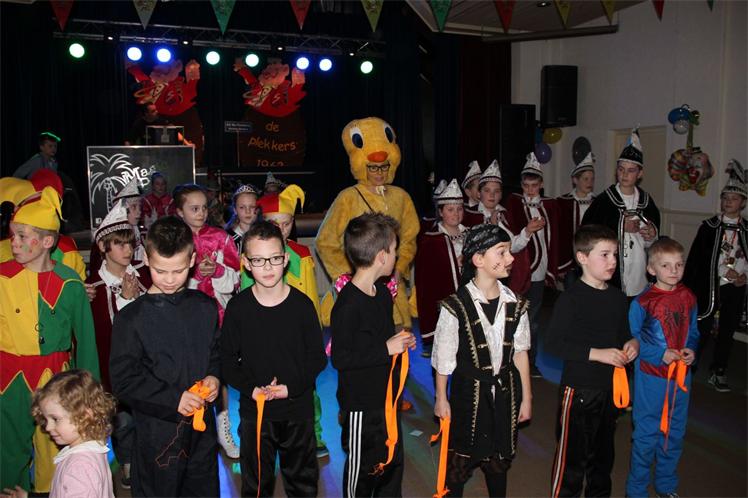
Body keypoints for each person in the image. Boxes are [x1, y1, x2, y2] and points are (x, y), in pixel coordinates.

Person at [109, 216, 221, 497]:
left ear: (192, 259)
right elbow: (123, 381)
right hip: (157, 435)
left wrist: (214, 376)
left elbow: (218, 353)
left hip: (201, 434)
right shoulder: (131, 319)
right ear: (146, 259)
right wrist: (174, 399)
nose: (170, 279)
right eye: (160, 271)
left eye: (178, 270)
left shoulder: (205, 307)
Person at [0, 186, 99, 494]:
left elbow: (86, 343)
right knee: (7, 451)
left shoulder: (70, 284)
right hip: (8, 381)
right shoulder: (1, 278)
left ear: (46, 242)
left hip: (54, 380)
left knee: (57, 454)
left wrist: (89, 396)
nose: (14, 242)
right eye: (13, 235)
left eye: (22, 236)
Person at [221, 221, 326, 497]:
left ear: (286, 259)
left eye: (275, 258)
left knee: (302, 483)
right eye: (258, 260)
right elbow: (227, 361)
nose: (267, 267)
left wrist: (291, 387)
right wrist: (252, 389)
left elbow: (317, 358)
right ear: (246, 263)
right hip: (255, 413)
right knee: (256, 485)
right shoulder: (238, 309)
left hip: (297, 410)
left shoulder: (302, 306)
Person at [432, 223, 533, 497]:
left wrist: (526, 398)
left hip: (505, 393)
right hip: (468, 394)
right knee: (460, 460)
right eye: (501, 252)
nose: (510, 258)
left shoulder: (515, 303)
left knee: (499, 459)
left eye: (509, 251)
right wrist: (441, 397)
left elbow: (520, 352)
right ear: (478, 259)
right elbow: (444, 357)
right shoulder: (456, 306)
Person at [545, 224, 639, 497]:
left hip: (609, 388)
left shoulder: (618, 297)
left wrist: (632, 344)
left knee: (603, 457)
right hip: (579, 390)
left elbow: (624, 334)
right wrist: (598, 353)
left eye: (615, 255)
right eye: (605, 255)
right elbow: (553, 344)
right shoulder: (571, 299)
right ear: (582, 258)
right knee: (573, 458)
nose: (613, 261)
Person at [331, 213, 416, 497]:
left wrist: (399, 343)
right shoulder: (347, 305)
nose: (396, 256)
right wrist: (385, 349)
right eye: (394, 250)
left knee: (391, 464)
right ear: (381, 257)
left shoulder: (381, 294)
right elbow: (341, 358)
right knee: (363, 472)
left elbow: (382, 341)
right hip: (361, 407)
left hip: (387, 400)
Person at [316, 117, 420, 333]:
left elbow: (409, 238)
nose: (379, 172)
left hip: (393, 291)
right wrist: (348, 275)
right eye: (373, 168)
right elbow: (325, 242)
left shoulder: (401, 197)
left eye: (383, 167)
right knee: (363, 340)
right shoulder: (348, 197)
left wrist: (399, 269)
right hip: (360, 290)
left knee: (398, 340)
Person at [625, 238, 699, 498]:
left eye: (679, 264)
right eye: (666, 265)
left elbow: (693, 332)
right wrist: (659, 354)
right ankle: (636, 490)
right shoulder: (642, 302)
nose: (674, 270)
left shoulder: (688, 297)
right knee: (647, 434)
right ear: (651, 269)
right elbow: (632, 341)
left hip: (681, 378)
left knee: (675, 432)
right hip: (651, 377)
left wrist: (691, 350)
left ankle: (666, 485)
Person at [85, 200, 151, 489]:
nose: (127, 250)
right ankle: (127, 463)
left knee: (146, 417)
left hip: (148, 367)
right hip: (114, 370)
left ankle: (148, 462)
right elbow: (107, 333)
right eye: (119, 244)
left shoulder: (145, 274)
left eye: (130, 243)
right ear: (103, 247)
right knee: (122, 421)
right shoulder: (92, 288)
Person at [173, 183, 241, 458]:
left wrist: (218, 271)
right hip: (182, 321)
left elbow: (235, 278)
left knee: (218, 375)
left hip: (217, 318)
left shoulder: (220, 237)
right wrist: (194, 274)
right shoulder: (173, 239)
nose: (201, 213)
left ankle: (223, 429)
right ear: (179, 212)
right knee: (186, 373)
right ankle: (188, 434)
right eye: (194, 208)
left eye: (204, 208)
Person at [1, 370, 116, 498]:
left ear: (85, 416)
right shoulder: (90, 451)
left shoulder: (79, 467)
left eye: (55, 419)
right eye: (46, 420)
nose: (48, 427)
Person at [683, 159, 747, 392]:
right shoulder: (709, 227)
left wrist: (744, 275)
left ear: (743, 202)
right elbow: (698, 260)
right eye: (725, 198)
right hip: (710, 286)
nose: (728, 202)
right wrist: (722, 270)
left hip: (735, 287)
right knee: (702, 328)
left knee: (727, 330)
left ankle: (718, 370)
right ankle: (689, 367)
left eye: (733, 199)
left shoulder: (746, 230)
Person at [582, 129, 660, 297]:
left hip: (638, 269)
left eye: (631, 170)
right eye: (621, 169)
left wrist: (651, 234)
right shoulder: (604, 201)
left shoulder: (646, 201)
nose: (624, 174)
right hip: (611, 270)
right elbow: (588, 232)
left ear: (640, 174)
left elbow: (652, 242)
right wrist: (620, 227)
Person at [504, 152, 560, 377]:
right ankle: (510, 360)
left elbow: (555, 238)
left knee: (533, 321)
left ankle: (531, 361)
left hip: (539, 272)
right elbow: (512, 240)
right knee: (514, 317)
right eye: (526, 186)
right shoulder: (514, 205)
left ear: (541, 185)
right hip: (520, 272)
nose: (530, 190)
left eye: (534, 185)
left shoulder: (549, 206)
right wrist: (527, 229)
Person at [461, 160, 535, 296]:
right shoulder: (469, 215)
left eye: (496, 191)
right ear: (479, 194)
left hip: (501, 277)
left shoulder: (505, 215)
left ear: (501, 195)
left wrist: (528, 231)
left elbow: (513, 246)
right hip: (476, 278)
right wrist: (493, 229)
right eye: (487, 191)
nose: (492, 195)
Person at [414, 179, 467, 358]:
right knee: (444, 352)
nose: (456, 214)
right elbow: (425, 280)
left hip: (469, 298)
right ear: (440, 212)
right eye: (450, 210)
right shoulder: (431, 240)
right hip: (444, 302)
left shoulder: (470, 234)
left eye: (459, 209)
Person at [557, 152, 596, 287]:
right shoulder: (563, 203)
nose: (589, 182)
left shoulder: (598, 203)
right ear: (575, 180)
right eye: (585, 179)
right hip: (570, 263)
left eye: (592, 179)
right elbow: (559, 236)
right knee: (572, 292)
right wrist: (560, 264)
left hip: (592, 260)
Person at [225, 183, 261, 254]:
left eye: (252, 207)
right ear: (235, 210)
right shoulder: (227, 238)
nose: (248, 211)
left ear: (258, 209)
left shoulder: (265, 235)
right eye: (242, 207)